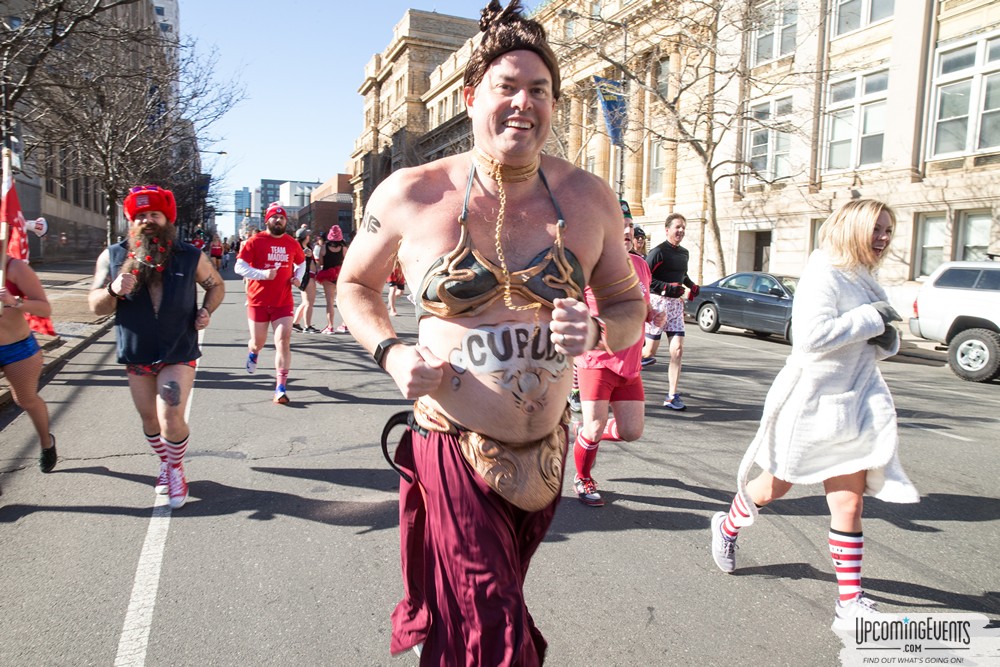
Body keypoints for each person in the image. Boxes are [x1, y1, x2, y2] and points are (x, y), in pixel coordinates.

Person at [337, 1, 646, 662]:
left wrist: (594, 325)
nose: (522, 103)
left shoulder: (591, 199)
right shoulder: (409, 193)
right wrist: (392, 353)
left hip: (545, 457)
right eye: (507, 87)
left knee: (468, 624)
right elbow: (354, 285)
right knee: (495, 632)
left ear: (555, 105)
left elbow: (627, 304)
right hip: (451, 445)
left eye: (539, 91)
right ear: (473, 95)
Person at [709, 198, 919, 632]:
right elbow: (809, 338)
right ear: (853, 229)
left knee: (848, 502)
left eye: (887, 231)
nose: (883, 238)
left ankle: (849, 602)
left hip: (852, 404)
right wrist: (870, 319)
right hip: (809, 404)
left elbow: (870, 336)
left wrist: (885, 334)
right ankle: (727, 527)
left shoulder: (865, 277)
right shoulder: (824, 272)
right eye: (876, 229)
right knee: (772, 486)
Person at [88, 185, 225, 509]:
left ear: (167, 219)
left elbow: (215, 285)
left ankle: (175, 469)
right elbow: (95, 306)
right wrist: (112, 289)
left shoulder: (190, 255)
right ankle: (166, 461)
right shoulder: (113, 256)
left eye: (155, 214)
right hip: (137, 352)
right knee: (149, 420)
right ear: (131, 221)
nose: (148, 220)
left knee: (170, 416)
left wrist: (206, 310)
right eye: (141, 215)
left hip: (178, 349)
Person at [571, 207, 663, 507]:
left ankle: (584, 435)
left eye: (630, 225)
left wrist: (653, 316)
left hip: (630, 364)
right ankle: (583, 477)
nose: (626, 231)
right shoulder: (589, 265)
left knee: (631, 431)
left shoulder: (640, 265)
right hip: (596, 360)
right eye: (619, 225)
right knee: (596, 426)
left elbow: (641, 305)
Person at [234, 202, 305, 404]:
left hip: (283, 302)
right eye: (275, 217)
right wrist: (262, 274)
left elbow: (302, 263)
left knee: (283, 341)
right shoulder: (255, 241)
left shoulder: (292, 243)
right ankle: (253, 352)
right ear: (267, 220)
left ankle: (280, 388)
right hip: (258, 301)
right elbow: (240, 267)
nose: (278, 220)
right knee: (259, 342)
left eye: (281, 217)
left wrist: (297, 277)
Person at [1, 257, 57, 477]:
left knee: (25, 399)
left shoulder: (13, 267)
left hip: (17, 349)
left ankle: (46, 442)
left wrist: (13, 301)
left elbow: (44, 308)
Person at [641, 212, 699, 410]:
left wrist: (691, 285)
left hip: (675, 307)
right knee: (649, 352)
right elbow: (646, 279)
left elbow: (682, 274)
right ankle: (628, 359)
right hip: (658, 305)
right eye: (678, 227)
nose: (681, 231)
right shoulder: (657, 252)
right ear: (667, 230)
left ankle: (672, 396)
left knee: (678, 350)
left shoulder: (684, 253)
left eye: (683, 227)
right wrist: (667, 287)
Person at [315, 225, 347, 334]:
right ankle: (344, 324)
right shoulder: (344, 248)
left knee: (329, 302)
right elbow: (347, 262)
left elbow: (321, 263)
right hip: (340, 275)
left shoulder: (323, 247)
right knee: (342, 301)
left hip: (327, 275)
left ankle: (330, 326)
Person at [291, 228, 320, 333]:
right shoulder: (298, 247)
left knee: (305, 302)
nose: (309, 237)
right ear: (305, 237)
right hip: (306, 276)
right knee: (309, 302)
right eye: (308, 235)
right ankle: (307, 326)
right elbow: (294, 260)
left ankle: (295, 323)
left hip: (309, 275)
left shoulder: (307, 246)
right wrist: (303, 254)